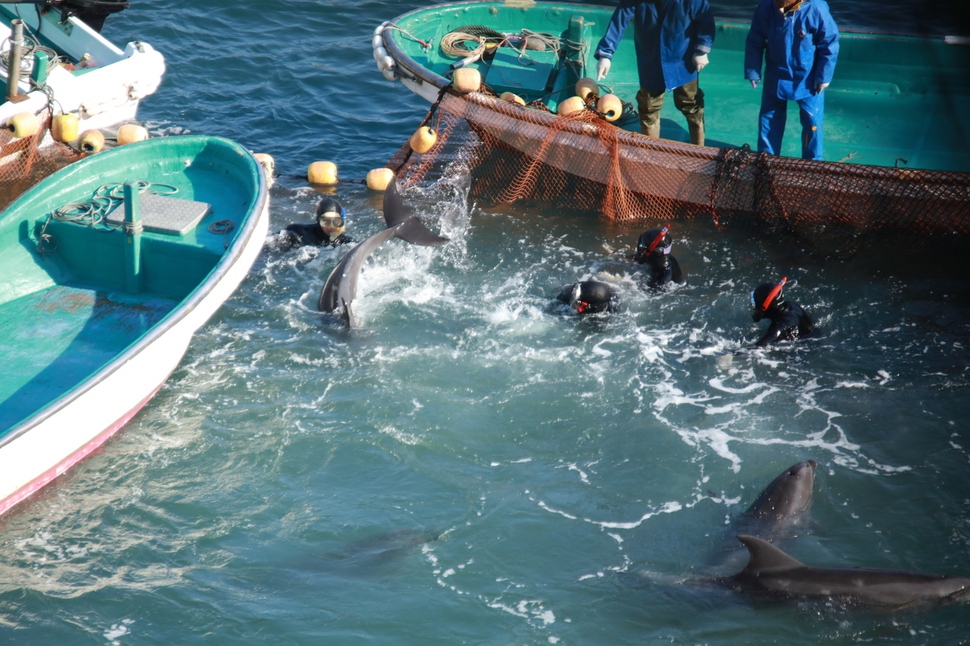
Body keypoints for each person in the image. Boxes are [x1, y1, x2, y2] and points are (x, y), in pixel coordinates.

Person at [594, 0, 715, 146]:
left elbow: (706, 22)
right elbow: (619, 22)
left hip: (683, 62)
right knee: (649, 106)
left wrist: (701, 51)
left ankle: (699, 147)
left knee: (691, 103)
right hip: (651, 62)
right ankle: (650, 150)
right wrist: (605, 55)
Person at [744, 0, 839, 161]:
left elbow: (829, 42)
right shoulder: (766, 7)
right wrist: (753, 70)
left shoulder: (816, 8)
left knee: (812, 122)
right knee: (769, 121)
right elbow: (755, 40)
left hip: (808, 79)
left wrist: (823, 76)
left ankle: (812, 163)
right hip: (776, 75)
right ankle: (767, 160)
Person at [750, 277, 818, 346]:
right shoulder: (791, 305)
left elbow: (761, 345)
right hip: (815, 335)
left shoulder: (779, 326)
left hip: (808, 345)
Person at [276, 197, 354, 250]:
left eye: (336, 222)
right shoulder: (298, 231)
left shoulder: (346, 242)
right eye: (326, 222)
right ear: (318, 221)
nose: (331, 227)